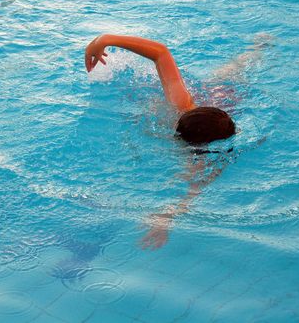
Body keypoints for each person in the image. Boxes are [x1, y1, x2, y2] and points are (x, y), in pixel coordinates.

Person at [85, 34, 270, 249]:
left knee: (232, 77)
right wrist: (103, 40)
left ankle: (258, 48)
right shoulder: (182, 104)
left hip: (227, 103)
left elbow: (192, 193)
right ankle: (258, 47)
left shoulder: (199, 158)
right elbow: (160, 52)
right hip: (219, 98)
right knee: (228, 75)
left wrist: (165, 217)